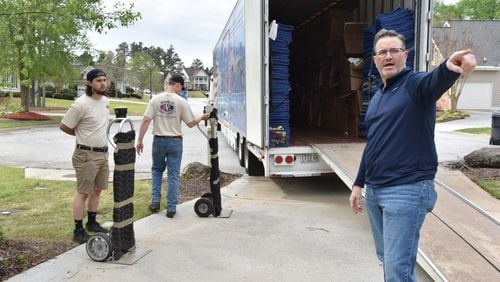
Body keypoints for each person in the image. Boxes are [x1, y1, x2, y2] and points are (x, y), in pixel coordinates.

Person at [349, 29, 476, 281]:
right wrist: (358, 183)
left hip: (406, 190)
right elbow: (373, 144)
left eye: (394, 50)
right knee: (390, 262)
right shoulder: (377, 98)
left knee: (397, 270)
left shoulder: (415, 85)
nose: (388, 56)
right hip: (375, 191)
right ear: (374, 59)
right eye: (382, 52)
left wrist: (450, 67)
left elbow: (435, 80)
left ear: (405, 55)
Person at [136, 74, 209, 218]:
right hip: (175, 141)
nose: (181, 90)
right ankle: (171, 208)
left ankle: (155, 201)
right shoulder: (181, 101)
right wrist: (202, 117)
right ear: (177, 85)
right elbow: (190, 124)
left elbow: (145, 120)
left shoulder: (155, 99)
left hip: (158, 140)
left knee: (156, 170)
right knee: (173, 174)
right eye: (181, 87)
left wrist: (140, 140)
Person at [60, 69, 111, 244]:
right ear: (88, 83)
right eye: (98, 80)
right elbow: (65, 126)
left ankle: (92, 222)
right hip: (86, 155)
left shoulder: (105, 101)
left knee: (97, 190)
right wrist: (82, 136)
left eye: (104, 80)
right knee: (83, 193)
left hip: (103, 154)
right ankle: (78, 230)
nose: (103, 83)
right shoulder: (80, 104)